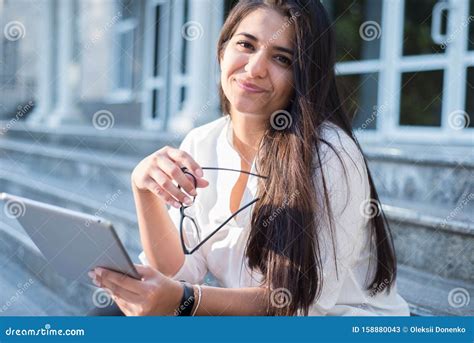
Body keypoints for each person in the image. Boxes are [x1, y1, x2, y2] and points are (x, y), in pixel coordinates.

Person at [89, 0, 410, 316]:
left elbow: (297, 306)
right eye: (246, 44)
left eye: (282, 59)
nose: (255, 68)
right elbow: (179, 270)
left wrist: (186, 300)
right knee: (110, 316)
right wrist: (143, 191)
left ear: (303, 76)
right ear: (222, 50)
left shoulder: (331, 156)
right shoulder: (203, 141)